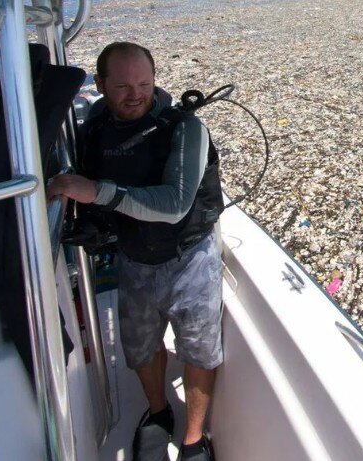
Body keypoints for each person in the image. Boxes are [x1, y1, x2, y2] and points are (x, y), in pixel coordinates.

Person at [49, 42, 224, 461]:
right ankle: (158, 413)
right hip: (133, 256)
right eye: (123, 86)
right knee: (140, 345)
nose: (136, 95)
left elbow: (175, 203)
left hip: (189, 257)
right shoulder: (96, 125)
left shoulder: (185, 129)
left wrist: (96, 192)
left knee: (199, 349)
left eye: (145, 84)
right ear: (100, 84)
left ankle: (194, 438)